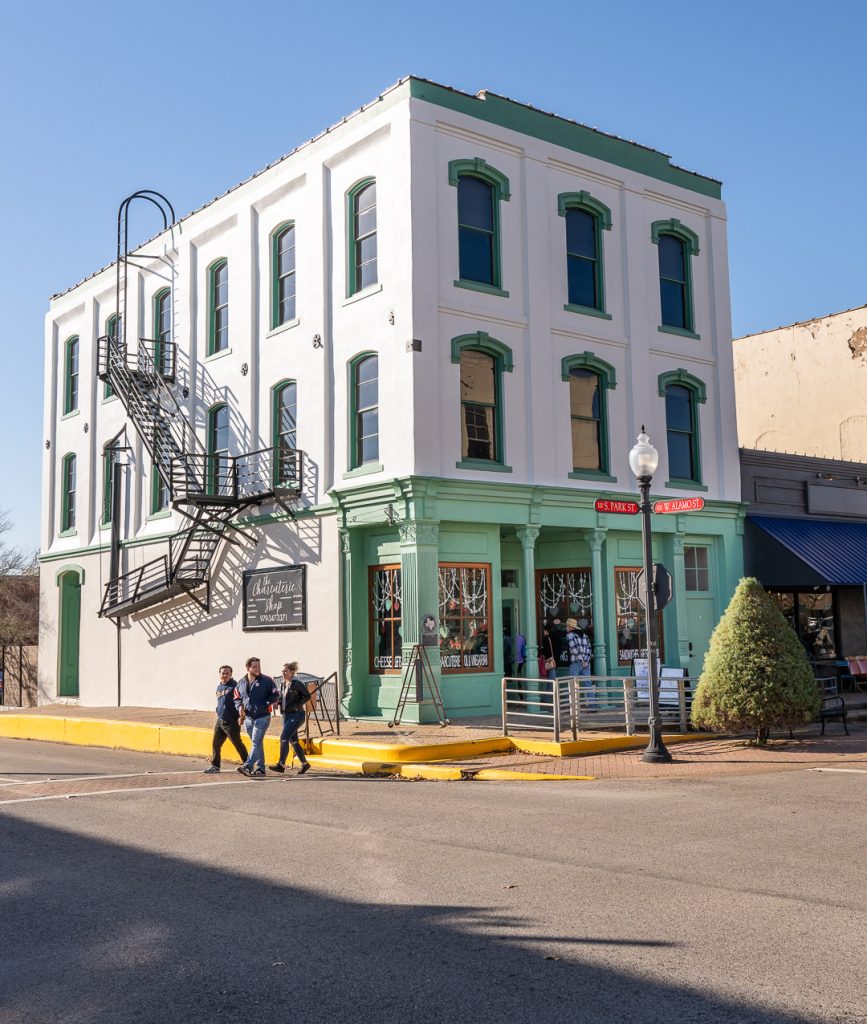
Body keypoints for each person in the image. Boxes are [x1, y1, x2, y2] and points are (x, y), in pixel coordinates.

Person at [233, 657, 279, 777]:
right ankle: (261, 769)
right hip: (248, 718)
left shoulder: (267, 680)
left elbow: (275, 694)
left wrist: (265, 704)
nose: (257, 669)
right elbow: (237, 698)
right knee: (257, 743)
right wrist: (240, 708)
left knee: (255, 741)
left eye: (258, 666)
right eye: (254, 666)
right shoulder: (241, 683)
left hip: (262, 717)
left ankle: (248, 766)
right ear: (248, 668)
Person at [269, 662, 312, 775]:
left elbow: (307, 696)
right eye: (282, 671)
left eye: (285, 671)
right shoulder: (283, 683)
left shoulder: (297, 683)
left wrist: (297, 704)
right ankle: (305, 764)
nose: (283, 673)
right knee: (293, 741)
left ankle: (281, 764)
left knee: (284, 737)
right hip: (286, 715)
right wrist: (277, 702)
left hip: (297, 715)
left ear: (292, 672)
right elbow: (282, 697)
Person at [203, 665, 248, 773]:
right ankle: (215, 766)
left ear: (231, 674)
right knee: (216, 744)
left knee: (237, 743)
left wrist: (241, 716)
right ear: (219, 674)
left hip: (231, 721)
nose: (225, 675)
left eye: (227, 673)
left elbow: (241, 702)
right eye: (223, 673)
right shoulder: (219, 687)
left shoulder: (235, 686)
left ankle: (248, 764)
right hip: (220, 720)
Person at [566, 617, 594, 710]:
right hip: (586, 664)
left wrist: (581, 660)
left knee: (573, 684)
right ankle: (591, 706)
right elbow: (589, 649)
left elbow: (574, 649)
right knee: (588, 685)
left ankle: (574, 707)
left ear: (570, 627)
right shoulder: (585, 635)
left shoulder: (570, 635)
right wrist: (586, 661)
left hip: (576, 663)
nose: (566, 628)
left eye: (567, 626)